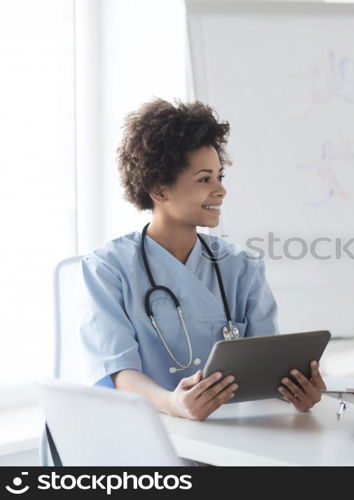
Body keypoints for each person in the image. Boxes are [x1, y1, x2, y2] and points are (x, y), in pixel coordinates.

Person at [80, 99, 326, 421]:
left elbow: (267, 364)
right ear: (159, 188)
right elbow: (118, 371)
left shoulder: (242, 267)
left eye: (220, 177)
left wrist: (294, 392)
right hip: (149, 431)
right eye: (204, 179)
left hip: (229, 433)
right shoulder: (108, 268)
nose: (220, 190)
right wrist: (173, 404)